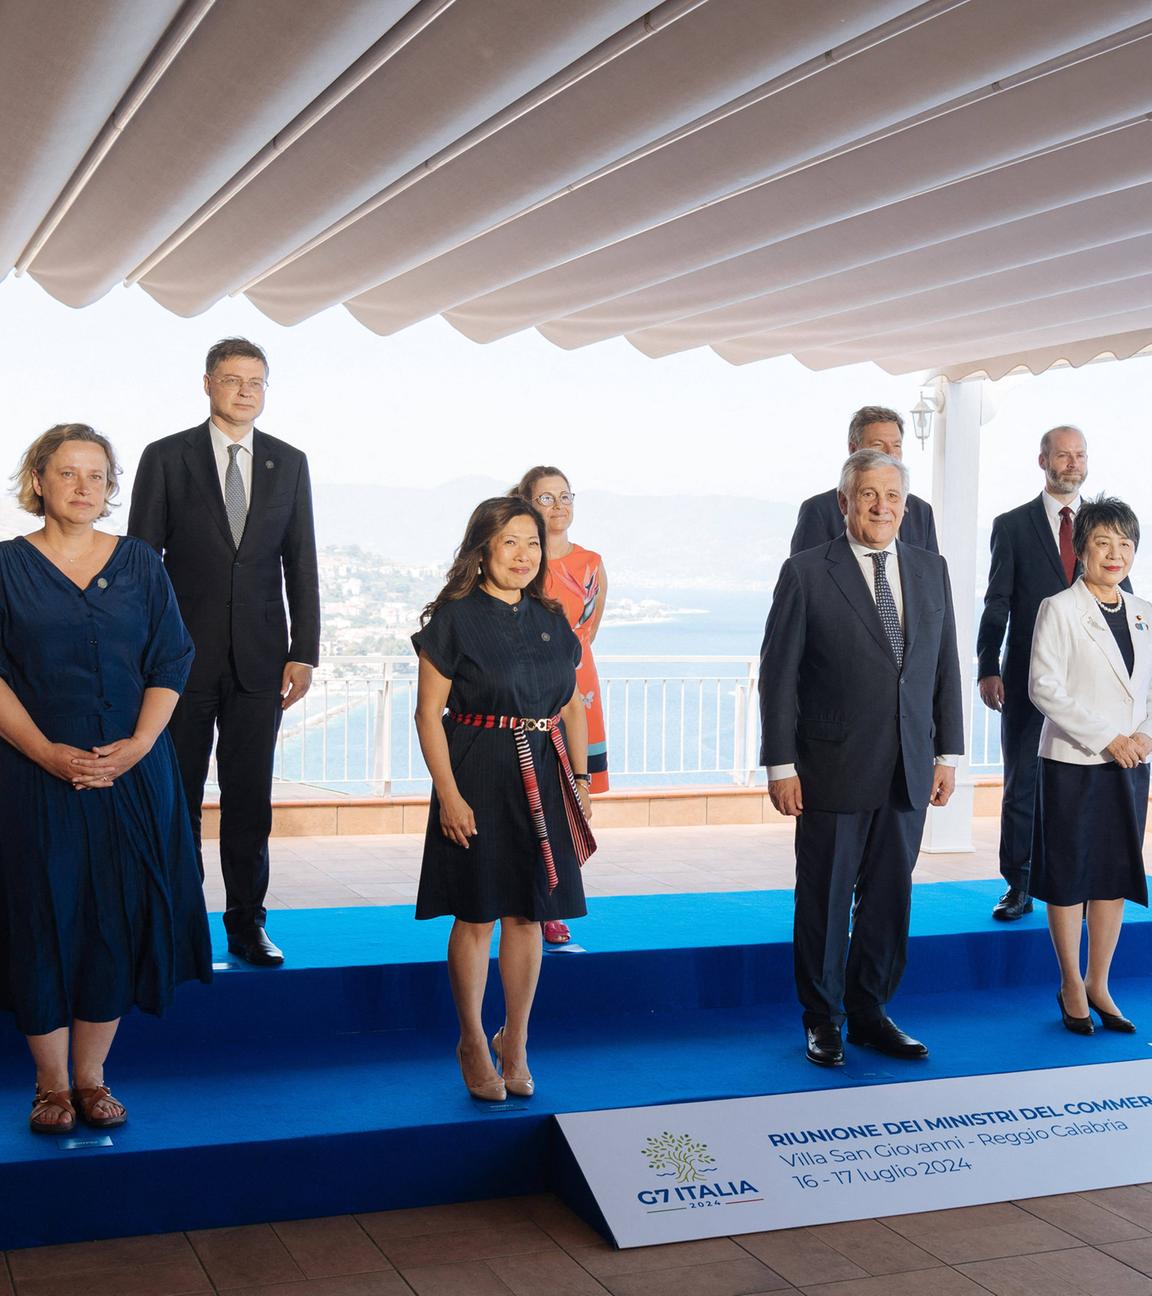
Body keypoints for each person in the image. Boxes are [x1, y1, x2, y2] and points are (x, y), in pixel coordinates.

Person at [0, 426, 212, 1133]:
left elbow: (171, 659)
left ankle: (92, 1079)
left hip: (132, 773)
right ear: (38, 482)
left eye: (97, 475)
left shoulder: (141, 563)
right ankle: (51, 1086)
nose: (84, 487)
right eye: (68, 473)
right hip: (32, 774)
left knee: (113, 919)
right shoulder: (4, 566)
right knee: (40, 917)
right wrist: (45, 752)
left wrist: (141, 746)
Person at [760, 449, 964, 1067]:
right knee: (824, 897)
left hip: (910, 764)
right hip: (831, 767)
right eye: (869, 495)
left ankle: (871, 1011)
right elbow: (778, 676)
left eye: (893, 496)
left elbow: (944, 666)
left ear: (906, 505)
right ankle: (822, 1017)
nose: (882, 507)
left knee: (890, 896)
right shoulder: (806, 572)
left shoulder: (931, 569)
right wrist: (781, 765)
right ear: (844, 501)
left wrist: (948, 752)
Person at [129, 338, 320, 967]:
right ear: (208, 383)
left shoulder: (290, 463)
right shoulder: (166, 456)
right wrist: (145, 652)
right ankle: (179, 925)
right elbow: (142, 563)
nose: (245, 391)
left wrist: (304, 650)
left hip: (262, 661)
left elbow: (301, 563)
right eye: (233, 379)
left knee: (249, 799)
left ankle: (247, 925)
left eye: (256, 381)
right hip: (179, 661)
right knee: (176, 797)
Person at [412, 497, 595, 1101]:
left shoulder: (552, 618)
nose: (523, 555)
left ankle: (514, 1040)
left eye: (533, 543)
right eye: (510, 542)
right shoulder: (453, 619)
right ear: (483, 549)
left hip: (544, 771)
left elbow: (570, 705)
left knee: (530, 914)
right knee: (477, 914)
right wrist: (448, 795)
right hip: (477, 771)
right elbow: (428, 716)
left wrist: (580, 782)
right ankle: (471, 1040)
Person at [976, 426, 1110, 923]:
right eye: (1063, 455)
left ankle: (1082, 881)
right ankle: (1019, 883)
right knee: (1023, 784)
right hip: (1027, 678)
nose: (1072, 463)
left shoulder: (1103, 526)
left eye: (1080, 455)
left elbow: (1119, 596)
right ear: (1043, 461)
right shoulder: (1012, 525)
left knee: (1087, 784)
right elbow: (997, 602)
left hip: (1091, 681)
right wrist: (988, 666)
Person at [1029, 496, 1150, 1035]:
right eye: (1103, 542)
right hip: (1074, 762)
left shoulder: (1145, 612)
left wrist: (1143, 736)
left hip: (1131, 764)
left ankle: (1100, 983)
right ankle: (1071, 983)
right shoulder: (1058, 608)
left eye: (1125, 543)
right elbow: (1043, 687)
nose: (1115, 553)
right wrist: (1108, 738)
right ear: (1081, 550)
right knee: (1069, 875)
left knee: (1113, 873)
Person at [513, 465, 608, 945]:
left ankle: (554, 901)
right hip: (530, 692)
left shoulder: (592, 562)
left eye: (565, 496)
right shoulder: (519, 561)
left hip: (579, 689)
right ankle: (525, 900)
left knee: (570, 802)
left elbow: (587, 632)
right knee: (530, 799)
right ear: (527, 503)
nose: (558, 506)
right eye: (546, 498)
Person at [790, 406, 938, 554]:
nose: (890, 453)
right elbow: (804, 567)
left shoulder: (922, 511)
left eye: (896, 445)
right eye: (878, 445)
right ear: (853, 449)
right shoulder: (818, 509)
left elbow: (930, 566)